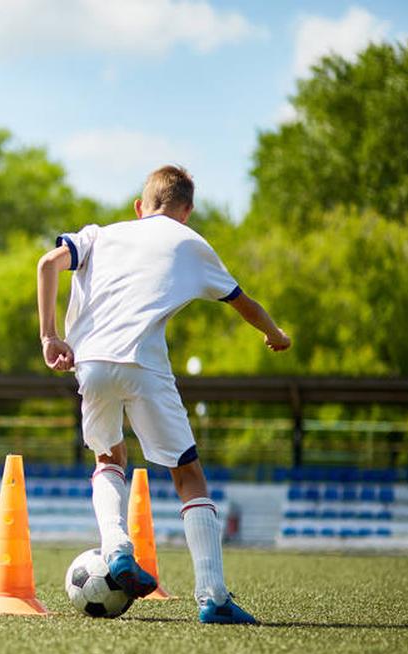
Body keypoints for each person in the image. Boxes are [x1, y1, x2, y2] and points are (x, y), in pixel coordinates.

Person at [35, 165, 291, 624]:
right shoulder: (190, 244)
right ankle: (213, 598)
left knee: (108, 461)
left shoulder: (101, 234)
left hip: (89, 364)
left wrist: (49, 337)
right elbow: (243, 302)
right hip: (144, 365)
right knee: (187, 475)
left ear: (140, 207)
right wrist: (274, 334)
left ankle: (117, 549)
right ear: (186, 212)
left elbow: (46, 263)